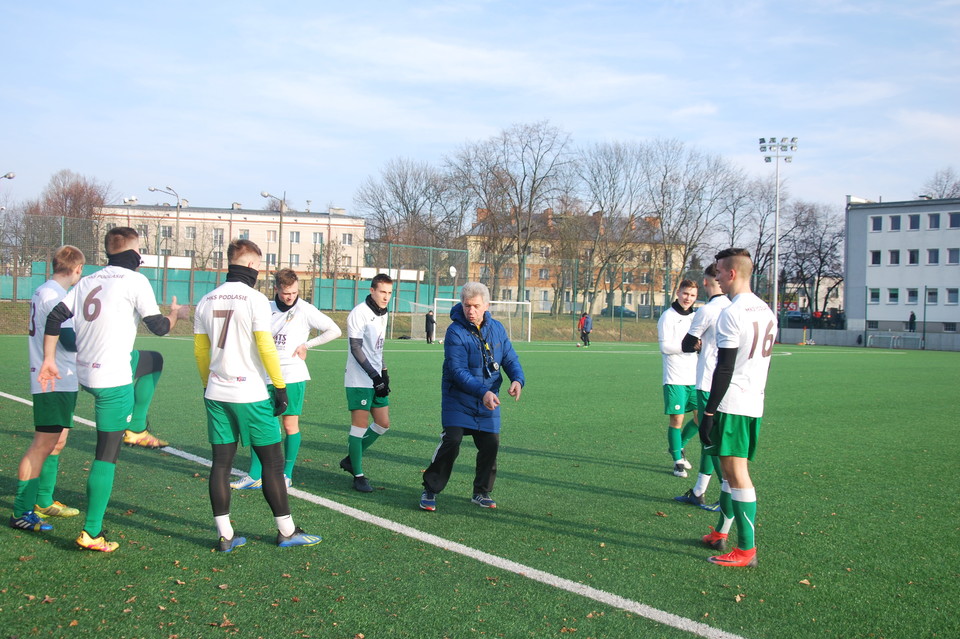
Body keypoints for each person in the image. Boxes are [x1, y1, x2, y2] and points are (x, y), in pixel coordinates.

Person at [38, 227, 186, 552]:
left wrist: (49, 359)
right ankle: (92, 532)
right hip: (112, 381)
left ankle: (137, 428)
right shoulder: (135, 281)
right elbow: (159, 328)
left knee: (151, 361)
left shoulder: (90, 279)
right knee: (105, 457)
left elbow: (54, 318)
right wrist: (175, 315)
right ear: (134, 254)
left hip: (86, 371)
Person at [194, 239, 321, 551]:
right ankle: (287, 531)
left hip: (216, 392)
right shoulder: (255, 300)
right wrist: (279, 386)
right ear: (251, 265)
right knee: (273, 464)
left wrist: (205, 385)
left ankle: (225, 536)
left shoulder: (206, 300)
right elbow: (265, 347)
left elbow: (200, 351)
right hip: (249, 392)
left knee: (221, 464)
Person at [698, 248, 777, 567]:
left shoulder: (732, 312)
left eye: (718, 270)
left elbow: (725, 368)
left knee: (736, 472)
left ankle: (746, 549)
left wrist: (708, 412)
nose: (715, 276)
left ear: (731, 274)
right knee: (730, 472)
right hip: (752, 399)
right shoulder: (767, 310)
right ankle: (722, 532)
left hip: (733, 403)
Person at [231, 268, 341, 490]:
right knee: (259, 424)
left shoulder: (305, 310)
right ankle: (254, 474)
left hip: (292, 375)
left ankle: (286, 474)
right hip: (263, 377)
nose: (290, 297)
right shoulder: (265, 307)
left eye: (293, 292)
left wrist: (306, 345)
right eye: (285, 293)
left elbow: (334, 330)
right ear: (276, 289)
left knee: (290, 425)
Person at [419, 282, 524, 512]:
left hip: (488, 399)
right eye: (467, 305)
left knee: (491, 444)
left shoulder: (497, 328)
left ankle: (481, 492)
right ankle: (430, 488)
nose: (471, 311)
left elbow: (509, 358)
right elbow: (457, 372)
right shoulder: (455, 332)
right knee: (452, 440)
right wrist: (482, 392)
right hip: (458, 398)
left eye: (476, 306)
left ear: (486, 305)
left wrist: (517, 379)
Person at [10, 246, 85, 533]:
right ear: (77, 269)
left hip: (60, 378)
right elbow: (68, 340)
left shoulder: (45, 290)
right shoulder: (56, 296)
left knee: (57, 441)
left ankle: (43, 500)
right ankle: (21, 511)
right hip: (52, 378)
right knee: (42, 445)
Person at [675, 263, 730, 511]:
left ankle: (729, 494)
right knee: (711, 439)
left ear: (706, 282)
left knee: (710, 441)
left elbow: (687, 345)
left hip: (707, 381)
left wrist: (699, 346)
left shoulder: (706, 311)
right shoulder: (734, 308)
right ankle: (699, 491)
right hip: (728, 383)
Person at [339, 273, 394, 493]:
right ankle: (358, 475)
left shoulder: (384, 313)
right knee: (359, 426)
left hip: (375, 377)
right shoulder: (358, 314)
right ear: (372, 290)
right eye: (382, 292)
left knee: (382, 423)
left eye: (389, 293)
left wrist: (384, 372)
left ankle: (352, 458)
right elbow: (356, 348)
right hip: (359, 379)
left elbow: (377, 349)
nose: (386, 297)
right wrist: (374, 376)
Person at [657, 279, 699, 478]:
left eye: (692, 295)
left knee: (701, 418)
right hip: (675, 377)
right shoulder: (668, 316)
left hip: (696, 378)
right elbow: (665, 347)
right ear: (678, 293)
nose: (687, 298)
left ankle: (678, 446)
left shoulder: (697, 317)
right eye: (685, 294)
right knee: (677, 419)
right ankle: (677, 462)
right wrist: (690, 346)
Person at [122, 350, 169, 449]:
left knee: (154, 360)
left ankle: (135, 427)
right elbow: (160, 333)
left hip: (84, 360)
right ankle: (135, 427)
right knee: (154, 360)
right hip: (106, 362)